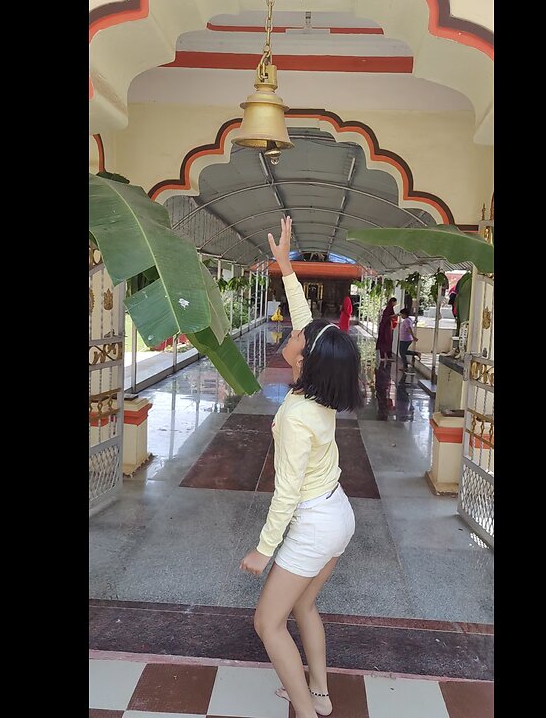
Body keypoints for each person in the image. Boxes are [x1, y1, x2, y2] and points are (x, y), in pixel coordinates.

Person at [240, 215, 362, 718]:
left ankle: (307, 712)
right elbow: (303, 317)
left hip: (313, 521)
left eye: (299, 336)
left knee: (267, 623)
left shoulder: (295, 414)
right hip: (340, 516)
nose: (295, 331)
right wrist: (287, 265)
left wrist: (262, 550)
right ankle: (321, 694)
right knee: (305, 606)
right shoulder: (321, 392)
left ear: (304, 359)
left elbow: (285, 493)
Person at [397, 307, 419, 374]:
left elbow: (409, 329)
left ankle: (405, 367)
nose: (401, 316)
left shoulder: (406, 320)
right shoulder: (409, 319)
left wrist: (414, 337)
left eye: (402, 314)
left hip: (405, 339)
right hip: (405, 339)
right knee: (404, 352)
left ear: (405, 314)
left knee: (402, 353)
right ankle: (416, 353)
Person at [377, 297, 397, 362]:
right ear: (392, 302)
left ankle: (387, 355)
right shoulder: (388, 309)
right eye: (395, 302)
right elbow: (386, 317)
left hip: (386, 326)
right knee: (385, 340)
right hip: (385, 327)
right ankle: (383, 355)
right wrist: (394, 316)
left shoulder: (389, 308)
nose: (395, 303)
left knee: (386, 340)